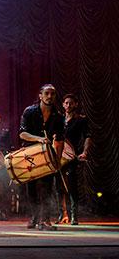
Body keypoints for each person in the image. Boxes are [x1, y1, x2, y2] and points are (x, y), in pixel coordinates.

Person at [19, 84, 65, 231]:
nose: (49, 96)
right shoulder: (30, 111)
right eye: (47, 93)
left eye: (52, 94)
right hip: (30, 154)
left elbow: (60, 140)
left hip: (46, 154)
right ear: (40, 95)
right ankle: (34, 217)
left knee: (46, 187)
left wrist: (57, 161)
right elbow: (22, 133)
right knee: (31, 187)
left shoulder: (58, 116)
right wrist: (38, 139)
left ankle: (44, 220)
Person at [56, 94, 91, 225]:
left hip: (72, 157)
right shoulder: (59, 119)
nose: (68, 105)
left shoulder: (81, 120)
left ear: (76, 104)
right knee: (59, 186)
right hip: (58, 157)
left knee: (71, 186)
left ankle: (73, 215)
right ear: (63, 104)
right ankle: (62, 214)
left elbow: (88, 136)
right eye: (66, 103)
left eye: (71, 103)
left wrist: (85, 152)